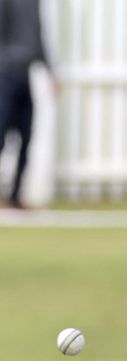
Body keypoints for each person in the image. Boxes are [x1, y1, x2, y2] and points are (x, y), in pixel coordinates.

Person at [0, 0, 57, 210]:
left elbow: (39, 37)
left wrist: (51, 70)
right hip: (5, 75)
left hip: (25, 75)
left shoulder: (35, 3)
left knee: (26, 137)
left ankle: (15, 196)